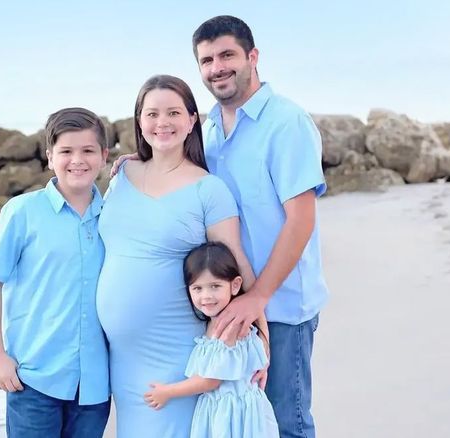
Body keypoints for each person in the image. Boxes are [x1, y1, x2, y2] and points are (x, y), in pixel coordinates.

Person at [96, 74, 259, 437]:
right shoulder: (121, 175)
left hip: (177, 351)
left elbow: (236, 266)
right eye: (152, 113)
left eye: (173, 113)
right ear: (139, 121)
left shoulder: (209, 189)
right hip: (121, 355)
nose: (162, 122)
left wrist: (261, 338)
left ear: (191, 121)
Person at [193, 15, 330, 438]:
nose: (217, 67)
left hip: (282, 305)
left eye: (227, 55)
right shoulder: (208, 129)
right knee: (244, 424)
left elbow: (301, 219)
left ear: (253, 57)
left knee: (286, 423)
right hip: (227, 304)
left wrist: (260, 297)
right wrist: (137, 164)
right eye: (207, 59)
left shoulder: (285, 123)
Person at [0, 107, 111, 437]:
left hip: (94, 385)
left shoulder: (113, 215)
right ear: (50, 157)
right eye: (66, 151)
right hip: (33, 378)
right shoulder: (22, 212)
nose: (77, 160)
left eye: (88, 150)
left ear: (104, 156)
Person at [143, 241, 279, 438]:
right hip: (223, 410)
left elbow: (210, 381)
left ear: (235, 285)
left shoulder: (231, 327)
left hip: (232, 414)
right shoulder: (214, 321)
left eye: (215, 286)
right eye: (197, 288)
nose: (206, 296)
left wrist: (168, 392)